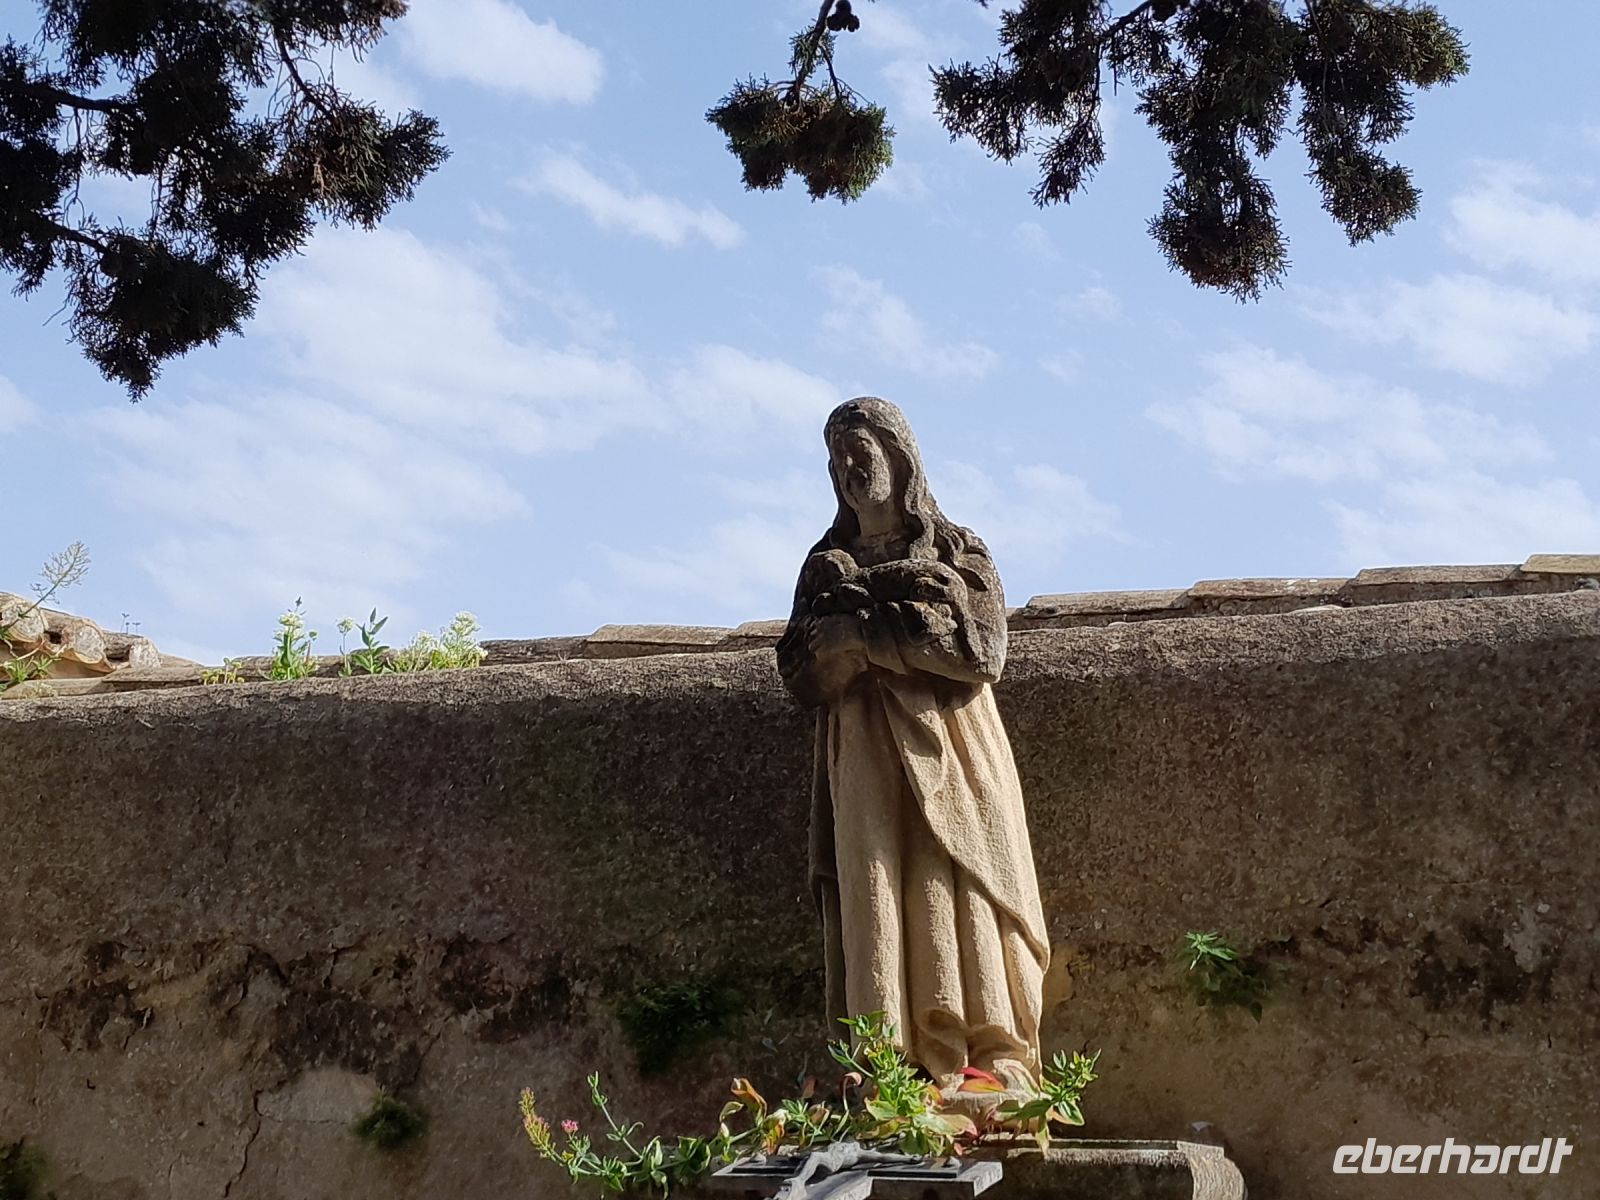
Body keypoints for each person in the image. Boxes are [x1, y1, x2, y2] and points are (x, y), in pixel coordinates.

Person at [776, 397, 1050, 1092]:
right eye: (835, 458)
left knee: (954, 880)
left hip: (952, 748)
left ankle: (989, 1057)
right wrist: (830, 655)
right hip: (862, 752)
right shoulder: (823, 566)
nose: (847, 468)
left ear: (899, 456)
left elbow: (980, 650)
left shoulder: (957, 549)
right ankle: (887, 1067)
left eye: (859, 451)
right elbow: (797, 674)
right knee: (875, 887)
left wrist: (864, 639)